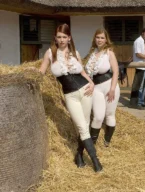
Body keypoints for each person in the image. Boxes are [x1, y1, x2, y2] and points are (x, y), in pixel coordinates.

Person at [38, 24, 102, 172]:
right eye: (59, 37)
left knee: (85, 126)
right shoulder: (50, 53)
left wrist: (91, 83)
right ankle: (95, 161)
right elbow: (41, 71)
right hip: (70, 95)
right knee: (81, 126)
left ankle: (79, 155)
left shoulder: (75, 53)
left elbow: (83, 72)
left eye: (64, 37)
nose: (61, 40)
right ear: (55, 38)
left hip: (86, 90)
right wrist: (30, 73)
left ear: (69, 38)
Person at [85, 28, 120, 147]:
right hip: (96, 87)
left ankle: (107, 142)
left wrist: (112, 89)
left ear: (106, 40)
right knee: (98, 117)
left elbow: (116, 72)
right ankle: (92, 145)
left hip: (109, 85)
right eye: (97, 37)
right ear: (94, 39)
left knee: (110, 115)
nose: (99, 40)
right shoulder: (91, 53)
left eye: (102, 38)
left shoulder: (109, 53)